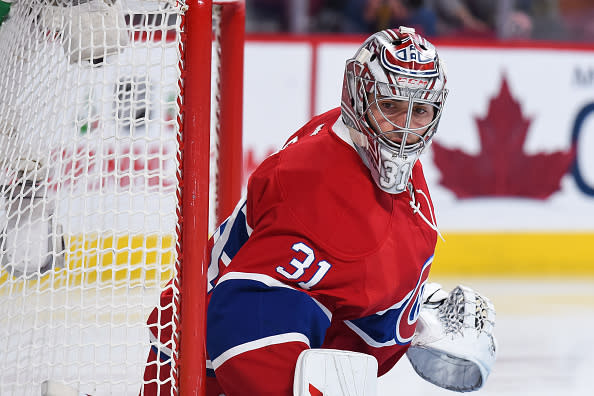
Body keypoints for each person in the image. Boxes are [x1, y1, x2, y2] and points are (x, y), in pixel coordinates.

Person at [142, 26, 496, 395]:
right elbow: (243, 327)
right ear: (358, 99)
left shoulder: (345, 136)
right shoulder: (320, 197)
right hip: (199, 367)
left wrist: (411, 312)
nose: (403, 130)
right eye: (390, 106)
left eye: (419, 110)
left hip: (200, 331)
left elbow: (337, 285)